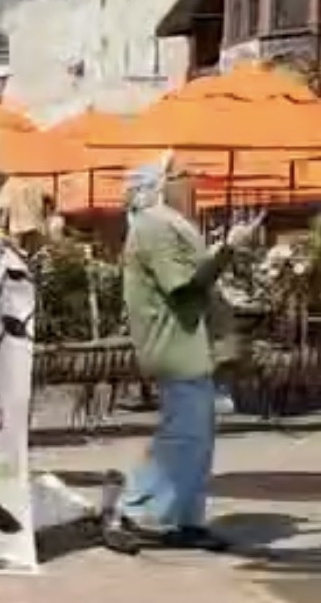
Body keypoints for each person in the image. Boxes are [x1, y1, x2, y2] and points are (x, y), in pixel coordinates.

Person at [119, 155, 259, 551]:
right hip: (174, 344)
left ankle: (182, 516)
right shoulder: (155, 227)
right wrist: (228, 250)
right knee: (184, 434)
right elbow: (182, 285)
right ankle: (136, 506)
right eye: (184, 176)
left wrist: (222, 250)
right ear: (163, 184)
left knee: (196, 435)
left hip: (187, 344)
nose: (193, 183)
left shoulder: (167, 225)